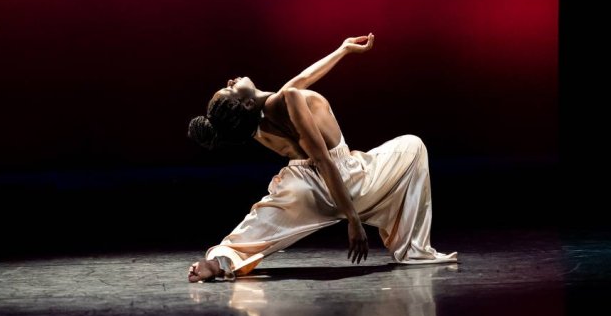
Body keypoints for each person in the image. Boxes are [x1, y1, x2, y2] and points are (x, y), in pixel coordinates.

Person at [186, 33, 457, 282]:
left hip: (300, 187)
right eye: (231, 89)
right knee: (413, 146)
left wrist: (343, 50)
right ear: (246, 103)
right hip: (344, 180)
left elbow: (303, 78)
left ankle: (216, 263)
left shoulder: (258, 122)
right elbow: (324, 161)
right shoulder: (288, 98)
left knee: (255, 228)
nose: (231, 81)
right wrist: (353, 220)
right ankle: (413, 250)